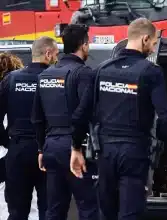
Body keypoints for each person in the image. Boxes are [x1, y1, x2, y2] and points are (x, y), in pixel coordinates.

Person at [70, 18, 167, 220]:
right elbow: (165, 116)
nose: (153, 48)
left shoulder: (101, 70)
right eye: (153, 43)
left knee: (107, 213)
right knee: (130, 214)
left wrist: (76, 149)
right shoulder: (151, 72)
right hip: (134, 154)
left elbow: (81, 113)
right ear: (144, 39)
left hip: (105, 154)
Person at [31, 25, 99, 220]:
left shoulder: (44, 75)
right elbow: (86, 113)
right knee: (89, 208)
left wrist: (41, 149)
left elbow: (37, 118)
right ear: (84, 45)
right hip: (75, 149)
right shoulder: (84, 73)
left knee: (54, 210)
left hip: (51, 148)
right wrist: (78, 146)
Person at [0, 37, 58, 220]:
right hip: (48, 151)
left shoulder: (11, 79)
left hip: (18, 150)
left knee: (17, 211)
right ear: (48, 54)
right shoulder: (55, 80)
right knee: (48, 210)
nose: (57, 58)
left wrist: (7, 143)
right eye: (56, 54)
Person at [0, 52, 42, 220]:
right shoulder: (43, 80)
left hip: (14, 150)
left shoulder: (8, 86)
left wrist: (7, 143)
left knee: (15, 208)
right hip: (39, 148)